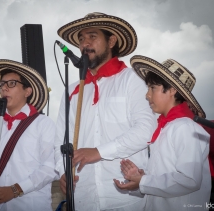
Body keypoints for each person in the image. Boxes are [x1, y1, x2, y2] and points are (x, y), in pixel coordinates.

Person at [54, 12, 156, 210]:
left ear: (112, 41)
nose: (85, 43)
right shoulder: (72, 90)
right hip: (83, 197)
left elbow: (147, 129)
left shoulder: (133, 79)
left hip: (125, 197)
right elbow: (60, 139)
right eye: (81, 39)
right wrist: (62, 171)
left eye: (92, 36)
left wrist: (99, 152)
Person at [114, 55, 211, 211]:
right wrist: (140, 178)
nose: (147, 95)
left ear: (172, 90)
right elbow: (165, 178)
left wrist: (144, 181)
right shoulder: (166, 128)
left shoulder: (186, 128)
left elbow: (189, 179)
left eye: (152, 88)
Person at [0, 60, 57, 211]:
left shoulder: (44, 124)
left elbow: (51, 167)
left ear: (27, 91)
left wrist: (16, 189)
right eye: (2, 84)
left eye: (11, 83)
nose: (4, 88)